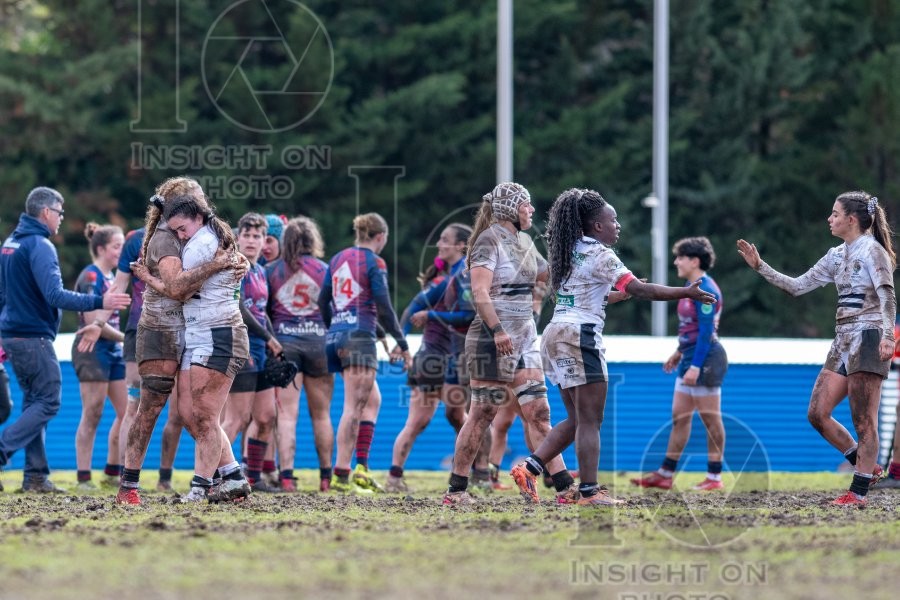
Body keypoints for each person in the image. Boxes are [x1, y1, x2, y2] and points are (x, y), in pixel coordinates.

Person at [508, 189, 718, 506]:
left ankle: (531, 468)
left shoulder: (567, 250)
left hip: (554, 333)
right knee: (592, 420)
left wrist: (620, 296)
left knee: (578, 419)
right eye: (612, 219)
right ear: (596, 226)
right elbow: (641, 288)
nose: (617, 225)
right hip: (581, 335)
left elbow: (591, 295)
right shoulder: (601, 254)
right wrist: (684, 292)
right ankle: (590, 492)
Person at [737, 190, 895, 507]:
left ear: (851, 219)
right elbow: (797, 286)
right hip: (842, 341)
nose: (829, 218)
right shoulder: (836, 255)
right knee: (817, 413)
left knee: (864, 420)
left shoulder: (873, 251)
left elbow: (887, 294)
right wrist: (760, 266)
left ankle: (858, 492)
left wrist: (888, 336)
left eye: (835, 213)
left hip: (868, 336)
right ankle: (867, 467)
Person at [443, 182, 574, 506]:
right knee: (483, 412)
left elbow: (551, 275)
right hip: (493, 338)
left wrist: (596, 275)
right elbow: (480, 292)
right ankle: (456, 490)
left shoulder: (525, 241)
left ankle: (565, 488)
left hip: (526, 337)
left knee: (539, 412)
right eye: (526, 204)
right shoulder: (487, 241)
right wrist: (498, 330)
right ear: (511, 209)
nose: (531, 210)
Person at [115, 179, 237, 505]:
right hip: (161, 333)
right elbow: (177, 287)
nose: (200, 202)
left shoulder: (198, 234)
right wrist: (218, 264)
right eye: (193, 196)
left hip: (189, 332)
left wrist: (236, 264)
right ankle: (128, 486)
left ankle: (230, 476)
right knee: (150, 409)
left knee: (194, 413)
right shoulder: (166, 239)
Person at [0, 187, 130, 493]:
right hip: (33, 337)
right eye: (60, 212)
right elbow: (54, 295)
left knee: (34, 401)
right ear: (46, 212)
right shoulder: (40, 246)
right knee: (49, 401)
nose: (61, 219)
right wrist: (101, 300)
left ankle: (35, 476)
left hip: (12, 336)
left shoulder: (10, 243)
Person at [159, 193, 252, 502]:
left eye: (182, 228)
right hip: (201, 333)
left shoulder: (201, 243)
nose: (179, 236)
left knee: (204, 416)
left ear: (198, 217)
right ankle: (233, 476)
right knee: (187, 412)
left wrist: (148, 276)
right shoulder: (204, 238)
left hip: (218, 332)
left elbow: (178, 289)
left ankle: (202, 487)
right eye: (174, 231)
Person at [317, 212, 411, 494]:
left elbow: (323, 301)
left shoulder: (336, 259)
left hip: (337, 335)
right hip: (359, 337)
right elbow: (383, 304)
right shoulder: (375, 261)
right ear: (380, 237)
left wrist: (336, 327)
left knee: (372, 402)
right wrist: (401, 342)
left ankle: (361, 469)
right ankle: (342, 475)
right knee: (353, 407)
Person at [631, 236, 728, 492]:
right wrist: (678, 352)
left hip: (706, 359)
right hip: (689, 356)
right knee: (679, 417)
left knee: (711, 419)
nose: (676, 262)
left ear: (694, 261)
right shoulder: (689, 287)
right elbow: (692, 329)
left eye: (680, 257)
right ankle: (665, 473)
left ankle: (714, 477)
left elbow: (707, 333)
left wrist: (696, 366)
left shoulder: (706, 288)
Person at [386, 223, 473, 493]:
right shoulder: (453, 279)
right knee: (470, 418)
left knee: (445, 419)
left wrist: (404, 341)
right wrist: (402, 343)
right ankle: (482, 473)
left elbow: (416, 308)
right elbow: (419, 307)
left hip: (437, 357)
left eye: (445, 240)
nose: (439, 244)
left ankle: (394, 477)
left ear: (461, 246)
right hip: (440, 358)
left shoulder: (458, 277)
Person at [265, 216, 334, 492]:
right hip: (320, 344)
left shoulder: (272, 271)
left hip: (285, 347)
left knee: (287, 416)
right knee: (322, 415)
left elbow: (265, 312)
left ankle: (286, 477)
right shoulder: (325, 270)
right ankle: (326, 477)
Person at [222, 212, 281, 492]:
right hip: (240, 344)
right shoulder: (237, 267)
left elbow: (261, 311)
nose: (252, 240)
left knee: (267, 415)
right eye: (247, 235)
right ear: (238, 237)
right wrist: (268, 336)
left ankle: (252, 477)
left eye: (258, 236)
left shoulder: (260, 270)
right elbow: (241, 310)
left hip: (260, 347)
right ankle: (209, 475)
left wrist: (273, 341)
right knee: (236, 418)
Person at [71, 223, 128, 490]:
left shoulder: (114, 277)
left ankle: (112, 470)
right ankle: (84, 477)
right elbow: (94, 322)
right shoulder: (91, 277)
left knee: (126, 412)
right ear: (101, 248)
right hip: (91, 350)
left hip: (113, 351)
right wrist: (127, 339)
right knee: (92, 412)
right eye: (116, 246)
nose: (121, 251)